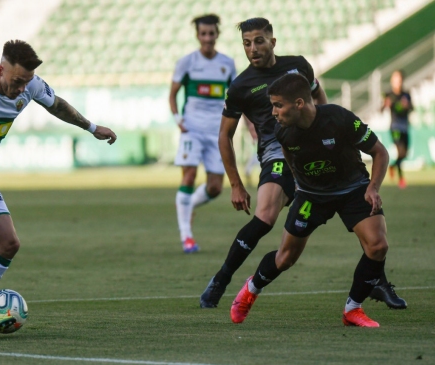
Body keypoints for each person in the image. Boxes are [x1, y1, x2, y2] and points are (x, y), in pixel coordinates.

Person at [199, 17, 405, 310]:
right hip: (278, 150)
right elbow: (224, 135)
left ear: (273, 41)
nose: (253, 49)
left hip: (317, 144)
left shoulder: (298, 66)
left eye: (259, 41)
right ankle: (221, 279)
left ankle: (377, 281)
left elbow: (318, 101)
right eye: (246, 43)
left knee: (357, 204)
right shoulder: (241, 86)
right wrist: (235, 184)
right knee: (265, 217)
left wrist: (330, 130)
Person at [0, 40, 117, 339]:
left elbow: (57, 105)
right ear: (1, 69)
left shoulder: (29, 85)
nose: (21, 89)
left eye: (26, 83)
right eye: (17, 81)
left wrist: (92, 128)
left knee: (8, 243)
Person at [230, 73, 395, 327]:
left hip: (353, 189)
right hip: (311, 196)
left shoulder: (340, 119)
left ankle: (353, 309)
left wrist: (373, 188)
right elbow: (288, 155)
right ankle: (252, 288)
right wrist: (299, 183)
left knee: (378, 246)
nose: (273, 112)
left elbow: (380, 152)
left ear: (299, 103)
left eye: (278, 105)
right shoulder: (283, 131)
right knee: (285, 258)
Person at [169, 14, 237, 253]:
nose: (208, 38)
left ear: (217, 34)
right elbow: (173, 94)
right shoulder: (187, 62)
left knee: (216, 187)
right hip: (192, 129)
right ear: (197, 36)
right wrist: (179, 120)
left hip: (217, 131)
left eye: (211, 33)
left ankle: (189, 206)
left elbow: (237, 97)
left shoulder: (227, 64)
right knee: (188, 177)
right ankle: (187, 236)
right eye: (203, 34)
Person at [380, 69, 412, 189]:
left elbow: (411, 108)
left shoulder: (406, 94)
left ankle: (393, 165)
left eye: (399, 79)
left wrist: (407, 105)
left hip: (405, 127)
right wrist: (385, 104)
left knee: (405, 154)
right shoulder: (388, 94)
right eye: (395, 79)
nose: (397, 82)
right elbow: (381, 109)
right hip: (395, 128)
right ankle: (401, 179)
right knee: (401, 152)